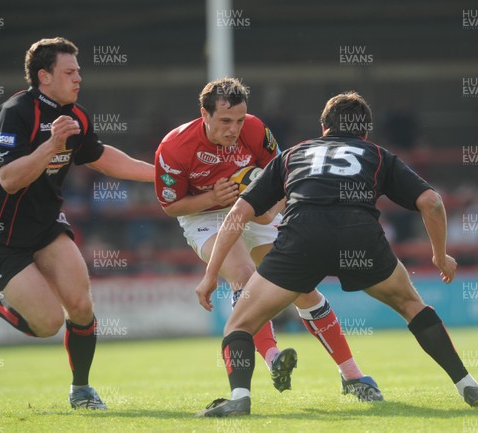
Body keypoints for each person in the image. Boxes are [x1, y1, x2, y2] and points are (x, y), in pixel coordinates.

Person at [194, 91, 478, 417]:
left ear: (323, 127)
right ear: (365, 132)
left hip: (302, 241)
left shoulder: (293, 155)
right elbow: (432, 203)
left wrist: (211, 275)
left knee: (240, 323)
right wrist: (440, 256)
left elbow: (237, 214)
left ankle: (240, 396)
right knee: (413, 306)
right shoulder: (377, 155)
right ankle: (468, 385)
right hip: (360, 239)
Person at [155, 78, 382, 401]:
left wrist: (269, 208)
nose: (234, 129)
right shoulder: (174, 148)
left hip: (252, 206)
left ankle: (352, 376)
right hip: (205, 216)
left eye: (238, 120)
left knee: (302, 286)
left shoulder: (255, 129)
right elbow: (171, 206)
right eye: (224, 121)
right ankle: (274, 357)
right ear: (203, 115)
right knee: (245, 277)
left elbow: (282, 176)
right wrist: (211, 198)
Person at [0, 37, 154, 410]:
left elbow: (102, 158)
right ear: (44, 76)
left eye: (79, 71)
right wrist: (50, 146)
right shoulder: (16, 111)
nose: (78, 78)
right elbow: (9, 179)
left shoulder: (77, 116)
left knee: (81, 306)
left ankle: (81, 390)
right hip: (1, 236)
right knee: (47, 324)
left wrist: (162, 175)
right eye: (69, 72)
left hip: (46, 226)